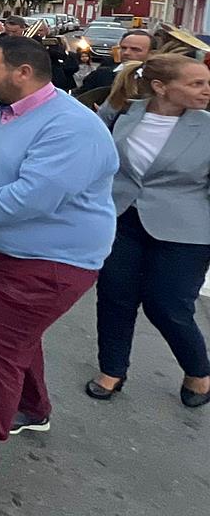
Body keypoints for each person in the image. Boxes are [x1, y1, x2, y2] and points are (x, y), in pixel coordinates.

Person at [0, 37, 120, 492]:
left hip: (47, 263)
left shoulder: (72, 127)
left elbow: (32, 198)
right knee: (13, 339)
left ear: (24, 72)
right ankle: (32, 409)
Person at [88, 54, 210, 409]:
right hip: (122, 218)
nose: (206, 90)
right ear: (160, 87)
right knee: (114, 296)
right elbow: (94, 151)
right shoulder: (123, 111)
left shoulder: (206, 126)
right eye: (196, 83)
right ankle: (112, 370)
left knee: (168, 304)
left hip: (186, 231)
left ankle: (198, 370)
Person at [79, 29, 155, 94]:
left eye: (135, 49)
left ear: (151, 54)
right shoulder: (100, 75)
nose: (126, 53)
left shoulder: (154, 79)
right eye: (123, 48)